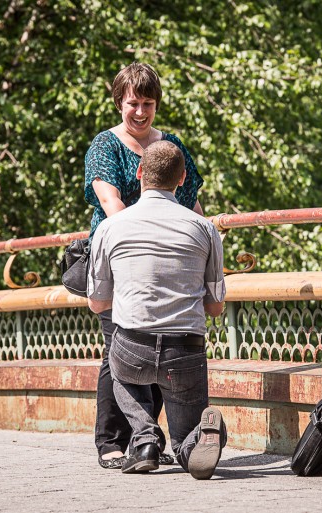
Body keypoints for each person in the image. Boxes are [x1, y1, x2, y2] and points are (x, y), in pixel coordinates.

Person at [84, 62, 205, 469]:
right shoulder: (105, 146)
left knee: (160, 346)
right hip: (120, 264)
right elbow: (111, 205)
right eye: (132, 103)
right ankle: (112, 442)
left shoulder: (170, 144)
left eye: (147, 103)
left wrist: (203, 244)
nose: (140, 111)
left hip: (170, 265)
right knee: (118, 349)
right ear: (119, 102)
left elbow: (192, 204)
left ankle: (147, 441)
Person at [87, 140, 227, 479]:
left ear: (138, 173)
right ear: (182, 179)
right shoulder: (206, 229)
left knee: (116, 366)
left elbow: (97, 304)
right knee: (185, 441)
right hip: (185, 351)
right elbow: (215, 307)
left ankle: (145, 438)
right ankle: (194, 442)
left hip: (132, 349)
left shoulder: (109, 228)